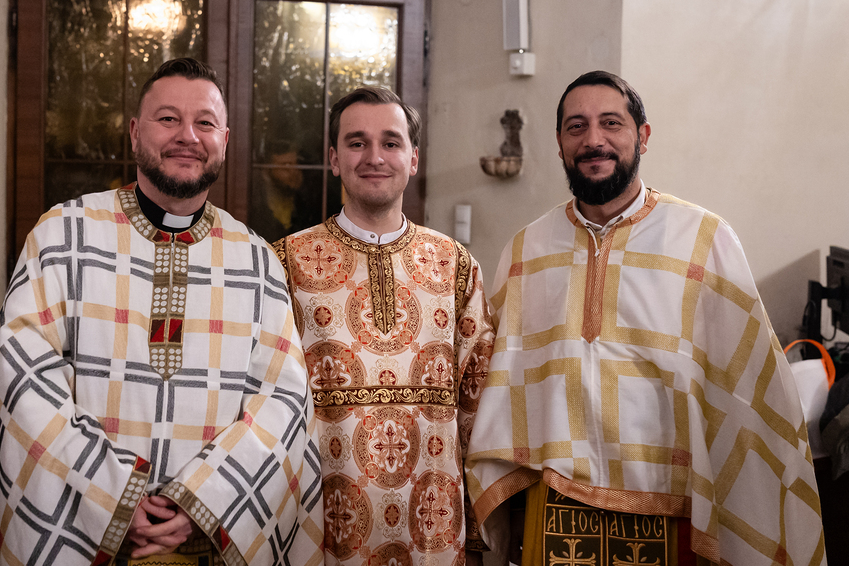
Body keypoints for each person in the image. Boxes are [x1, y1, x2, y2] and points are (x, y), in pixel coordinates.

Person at [466, 71, 826, 565]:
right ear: (559, 143)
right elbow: (500, 388)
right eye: (576, 126)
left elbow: (751, 392)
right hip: (554, 505)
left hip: (672, 505)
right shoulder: (527, 249)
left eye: (611, 123)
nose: (593, 140)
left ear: (643, 135)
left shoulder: (703, 241)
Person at [0, 58, 323, 565]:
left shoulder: (255, 259)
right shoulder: (63, 235)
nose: (188, 136)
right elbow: (23, 378)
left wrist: (203, 500)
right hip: (86, 531)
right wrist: (114, 494)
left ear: (225, 140)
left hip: (206, 537)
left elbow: (283, 400)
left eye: (205, 122)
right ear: (136, 132)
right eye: (168, 119)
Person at [272, 87, 495, 566]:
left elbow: (478, 409)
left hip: (434, 533)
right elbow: (268, 408)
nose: (374, 157)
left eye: (391, 143)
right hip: (321, 531)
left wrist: (477, 537)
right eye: (357, 143)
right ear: (334, 159)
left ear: (413, 159)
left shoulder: (454, 265)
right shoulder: (285, 263)